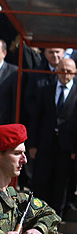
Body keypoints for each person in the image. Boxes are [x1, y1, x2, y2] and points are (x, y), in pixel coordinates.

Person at [30, 57, 77, 214]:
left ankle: (55, 219)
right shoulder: (46, 89)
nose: (65, 74)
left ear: (74, 73)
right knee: (41, 182)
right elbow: (36, 118)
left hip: (66, 148)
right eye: (62, 70)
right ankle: (37, 217)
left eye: (69, 71)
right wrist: (33, 145)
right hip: (45, 146)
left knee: (61, 186)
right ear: (57, 71)